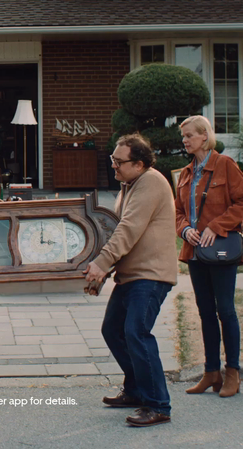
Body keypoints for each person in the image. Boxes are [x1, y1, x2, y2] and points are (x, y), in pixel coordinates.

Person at [84, 134, 177, 427]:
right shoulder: (129, 185)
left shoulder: (150, 182)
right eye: (113, 159)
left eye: (119, 161)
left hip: (150, 275)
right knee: (113, 330)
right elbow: (113, 232)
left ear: (139, 163)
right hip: (131, 275)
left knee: (137, 333)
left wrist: (101, 263)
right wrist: (102, 270)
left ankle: (158, 405)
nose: (113, 165)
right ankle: (136, 390)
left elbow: (129, 228)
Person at [175, 115, 243, 398]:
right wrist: (185, 230)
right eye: (183, 136)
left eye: (189, 135)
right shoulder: (186, 173)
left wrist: (215, 226)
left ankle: (233, 372)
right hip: (195, 252)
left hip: (221, 249)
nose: (185, 140)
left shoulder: (225, 165)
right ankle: (211, 372)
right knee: (205, 311)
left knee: (226, 310)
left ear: (204, 136)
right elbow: (178, 211)